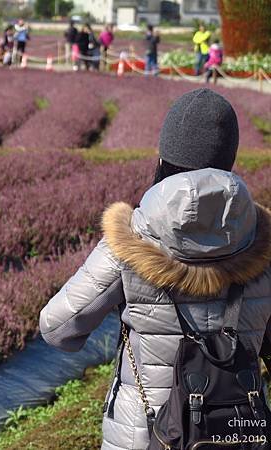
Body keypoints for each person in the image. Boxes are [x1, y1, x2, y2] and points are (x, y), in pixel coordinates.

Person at [39, 88, 271, 450]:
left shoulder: (130, 241)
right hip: (237, 433)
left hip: (145, 435)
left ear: (165, 156)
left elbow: (57, 329)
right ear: (230, 157)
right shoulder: (262, 240)